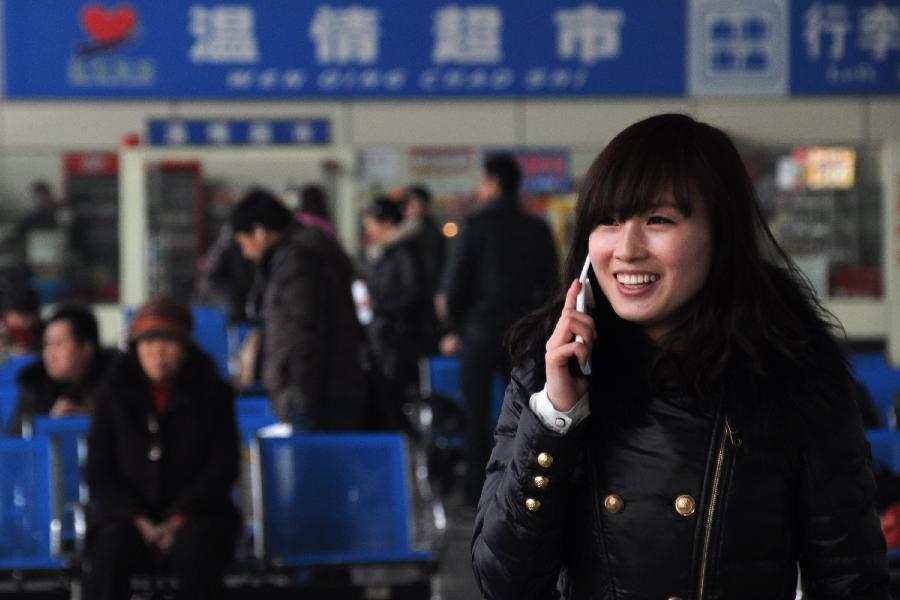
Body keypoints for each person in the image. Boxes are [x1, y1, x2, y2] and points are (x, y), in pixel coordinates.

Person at [471, 114, 889, 598]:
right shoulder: (552, 370)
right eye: (607, 221)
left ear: (721, 234)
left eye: (659, 221)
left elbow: (850, 580)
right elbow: (504, 582)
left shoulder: (792, 371)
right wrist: (555, 418)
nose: (626, 249)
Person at [83, 297, 240, 600]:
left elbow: (222, 466)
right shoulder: (112, 394)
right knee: (111, 550)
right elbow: (100, 470)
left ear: (185, 347)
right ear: (136, 348)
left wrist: (179, 517)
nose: (158, 351)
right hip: (127, 517)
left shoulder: (214, 394)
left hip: (199, 514)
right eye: (148, 342)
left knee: (196, 551)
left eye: (168, 341)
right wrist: (137, 517)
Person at [441, 154, 559, 507]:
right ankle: (524, 487)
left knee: (475, 415)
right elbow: (552, 286)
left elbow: (455, 286)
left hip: (479, 333)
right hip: (524, 336)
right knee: (526, 412)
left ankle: (476, 490)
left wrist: (458, 327)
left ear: (492, 182)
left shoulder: (474, 225)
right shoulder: (537, 228)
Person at [231, 188, 365, 430]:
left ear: (260, 232)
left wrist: (297, 397)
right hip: (330, 388)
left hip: (314, 395)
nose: (245, 252)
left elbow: (303, 331)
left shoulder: (295, 262)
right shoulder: (305, 252)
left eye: (244, 241)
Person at [7, 304, 119, 436]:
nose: (50, 354)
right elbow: (17, 440)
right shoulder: (34, 386)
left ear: (86, 348)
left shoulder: (116, 383)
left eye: (58, 344)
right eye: (47, 345)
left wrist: (95, 417)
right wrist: (51, 425)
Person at [362, 197, 422, 429]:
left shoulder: (403, 253)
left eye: (371, 225)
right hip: (382, 336)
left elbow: (411, 295)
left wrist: (377, 304)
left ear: (387, 224)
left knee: (394, 401)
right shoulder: (381, 253)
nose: (368, 231)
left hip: (397, 339)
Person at [403, 184, 445, 354]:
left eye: (412, 203)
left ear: (424, 205)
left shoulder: (428, 232)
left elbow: (432, 268)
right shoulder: (411, 229)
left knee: (425, 344)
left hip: (424, 297)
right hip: (418, 296)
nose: (408, 208)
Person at [0, 285, 42, 359]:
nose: (25, 323)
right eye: (19, 315)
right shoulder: (3, 333)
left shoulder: (44, 333)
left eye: (28, 316)